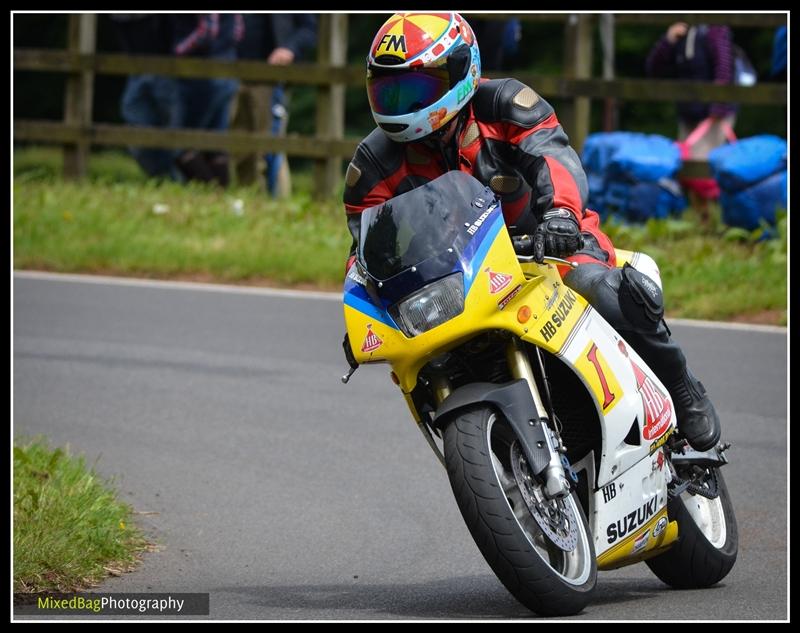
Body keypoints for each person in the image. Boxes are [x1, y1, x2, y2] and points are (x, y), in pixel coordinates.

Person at [343, 12, 720, 452]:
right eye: (390, 89)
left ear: (460, 70)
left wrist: (560, 213)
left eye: (415, 88)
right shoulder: (372, 164)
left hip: (546, 245)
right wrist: (363, 306)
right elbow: (368, 249)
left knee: (601, 289)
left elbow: (553, 157)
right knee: (425, 363)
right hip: (458, 277)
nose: (401, 102)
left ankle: (682, 387)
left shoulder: (504, 104)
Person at [646, 22, 738, 203]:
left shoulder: (714, 29)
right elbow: (653, 69)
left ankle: (710, 219)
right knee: (688, 170)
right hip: (688, 114)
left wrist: (718, 107)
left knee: (703, 173)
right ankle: (699, 217)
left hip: (713, 115)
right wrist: (667, 41)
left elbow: (724, 67)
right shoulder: (681, 32)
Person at [235, 14, 318, 195]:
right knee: (238, 148)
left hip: (270, 78)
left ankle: (273, 199)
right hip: (231, 74)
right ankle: (247, 197)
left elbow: (310, 29)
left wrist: (289, 48)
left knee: (269, 149)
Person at [170, 13, 245, 187]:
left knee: (183, 143)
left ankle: (210, 193)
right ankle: (220, 197)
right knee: (216, 143)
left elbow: (207, 30)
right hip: (228, 69)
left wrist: (177, 50)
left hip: (203, 75)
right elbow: (238, 32)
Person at [110, 14, 183, 181]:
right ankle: (163, 180)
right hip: (137, 70)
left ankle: (181, 181)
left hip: (170, 70)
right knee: (136, 132)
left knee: (176, 135)